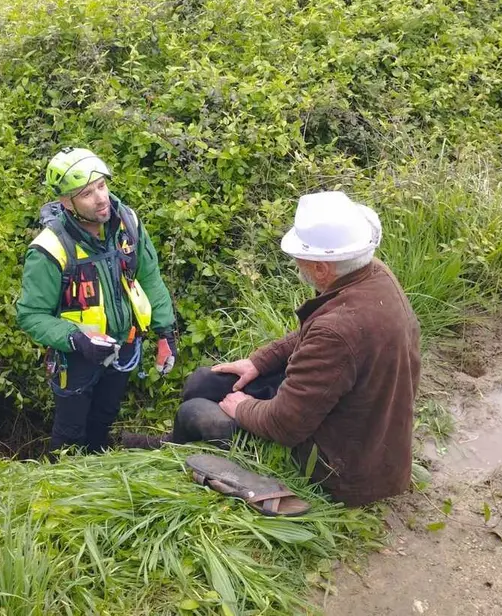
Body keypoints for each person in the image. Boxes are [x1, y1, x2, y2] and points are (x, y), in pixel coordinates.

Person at [124, 191, 421, 507]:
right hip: (362, 427)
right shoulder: (371, 275)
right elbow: (317, 334)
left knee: (197, 412)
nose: (297, 265)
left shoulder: (337, 330)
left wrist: (241, 407)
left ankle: (183, 450)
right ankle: (178, 442)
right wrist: (258, 362)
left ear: (322, 268)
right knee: (204, 381)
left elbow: (286, 424)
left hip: (340, 469)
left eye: (300, 258)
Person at [16, 147, 178, 454]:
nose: (101, 198)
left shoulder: (127, 223)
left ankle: (99, 476)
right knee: (70, 432)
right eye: (87, 193)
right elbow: (31, 315)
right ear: (67, 201)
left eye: (102, 186)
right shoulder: (49, 249)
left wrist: (165, 332)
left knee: (104, 419)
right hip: (76, 356)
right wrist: (76, 339)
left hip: (125, 344)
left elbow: (149, 276)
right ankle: (63, 486)